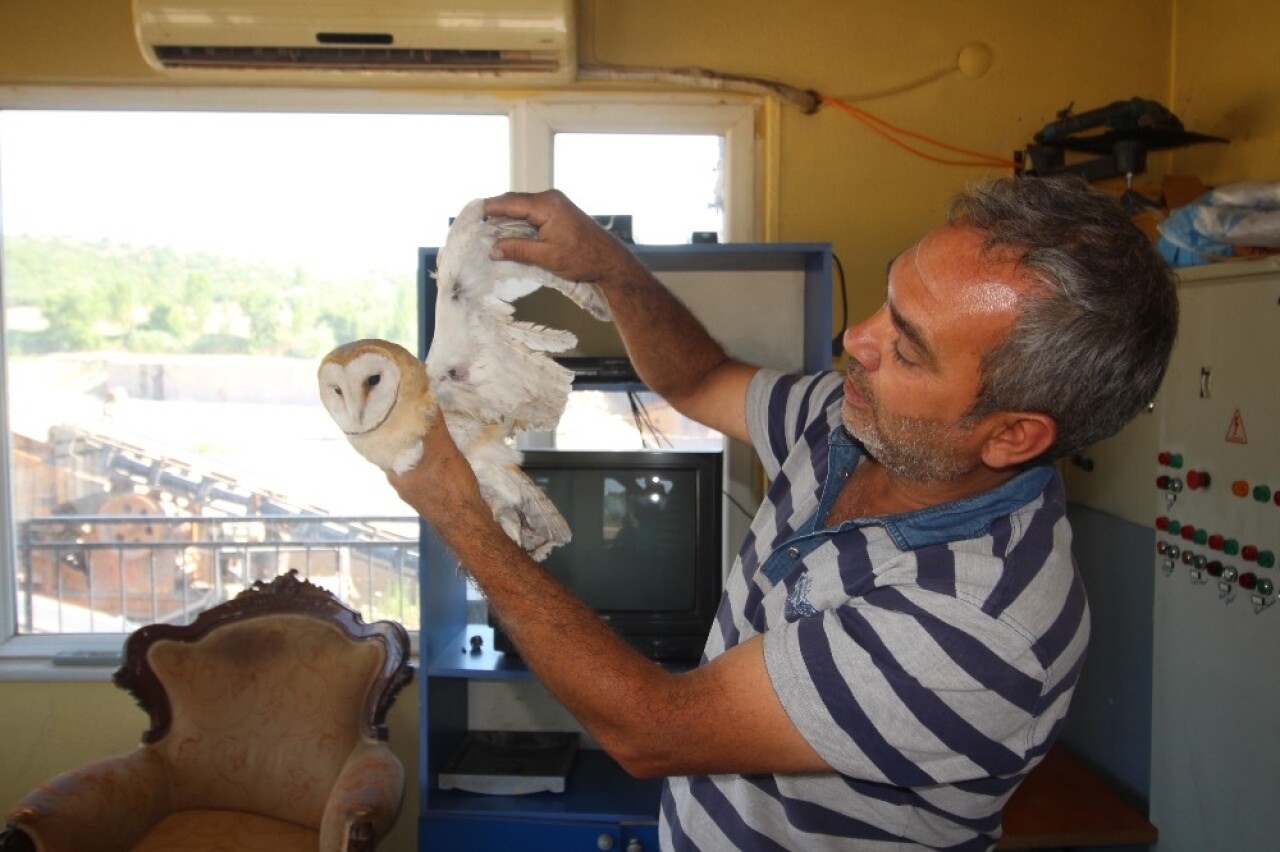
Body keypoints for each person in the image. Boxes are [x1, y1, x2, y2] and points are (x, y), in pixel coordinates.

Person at [388, 175, 1178, 850]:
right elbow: (699, 379)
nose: (853, 339)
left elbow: (650, 729)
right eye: (887, 300)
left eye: (907, 348)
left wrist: (464, 515)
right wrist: (611, 269)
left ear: (1011, 434)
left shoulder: (977, 629)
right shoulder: (850, 420)